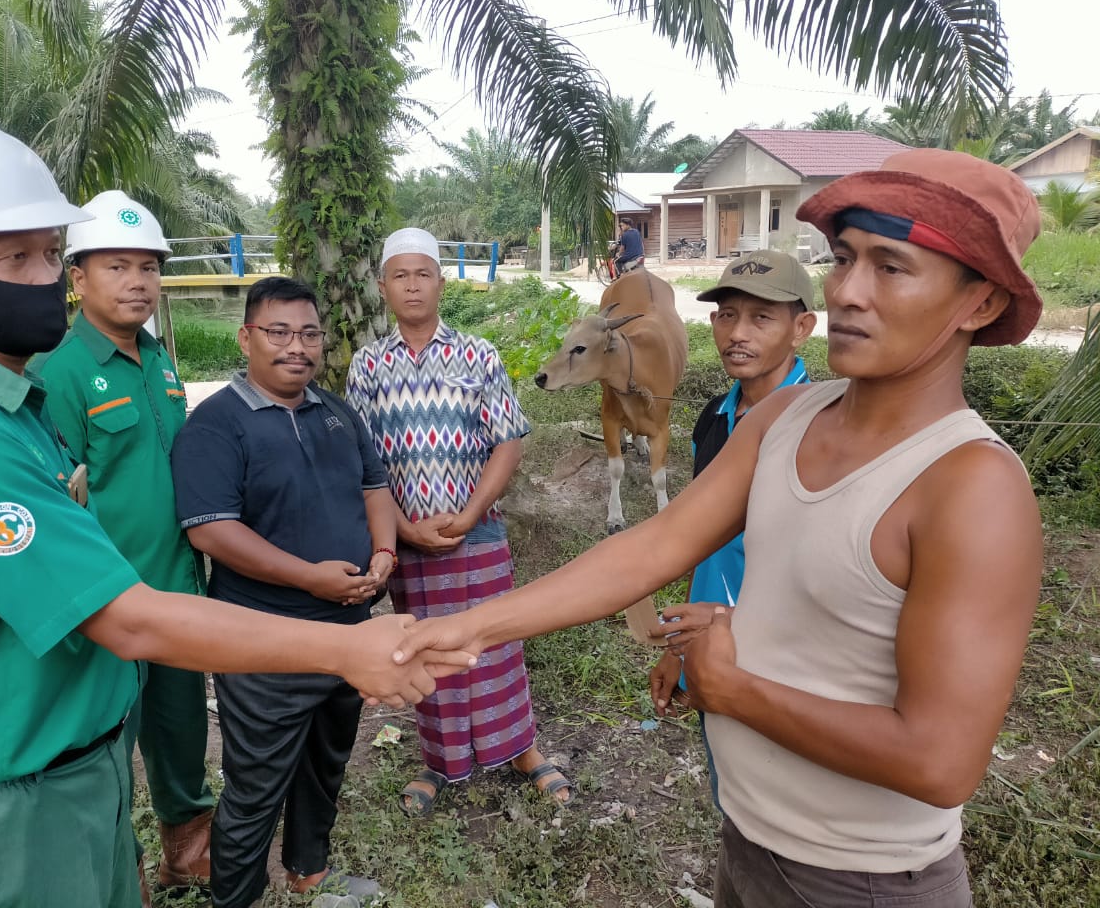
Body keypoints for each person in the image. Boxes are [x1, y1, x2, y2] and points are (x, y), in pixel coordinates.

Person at [396, 149, 1045, 907]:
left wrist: (734, 685)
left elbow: (941, 762)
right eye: (842, 259)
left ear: (982, 304)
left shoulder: (971, 487)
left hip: (860, 879)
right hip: (748, 840)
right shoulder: (785, 417)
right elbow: (653, 546)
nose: (848, 292)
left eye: (891, 268)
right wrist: (467, 629)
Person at [0, 111, 467, 908]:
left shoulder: (9, 399)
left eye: (48, 252)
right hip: (5, 799)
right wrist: (340, 647)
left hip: (61, 766)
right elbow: (131, 618)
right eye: (17, 257)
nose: (45, 278)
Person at [170, 276, 396, 908]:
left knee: (327, 759)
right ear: (246, 337)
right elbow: (212, 532)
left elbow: (373, 486)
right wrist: (308, 576)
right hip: (264, 637)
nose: (296, 347)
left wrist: (384, 554)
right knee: (256, 783)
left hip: (349, 630)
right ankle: (235, 898)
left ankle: (309, 871)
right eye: (278, 333)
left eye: (308, 334)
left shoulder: (335, 412)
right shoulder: (216, 426)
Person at [345, 227, 571, 819]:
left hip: (479, 531)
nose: (413, 285)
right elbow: (363, 463)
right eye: (401, 275)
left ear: (441, 282)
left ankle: (522, 748)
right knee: (423, 652)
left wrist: (469, 516)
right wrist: (402, 528)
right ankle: (440, 759)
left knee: (494, 641)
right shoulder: (369, 366)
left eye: (424, 274)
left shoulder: (479, 354)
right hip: (407, 540)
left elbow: (508, 442)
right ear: (384, 286)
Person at [28, 190, 215, 898]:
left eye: (147, 267)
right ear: (78, 278)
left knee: (180, 729)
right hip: (111, 604)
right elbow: (58, 495)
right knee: (107, 746)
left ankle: (189, 852)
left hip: (174, 586)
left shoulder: (158, 358)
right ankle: (117, 875)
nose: (137, 281)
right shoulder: (59, 371)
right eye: (116, 266)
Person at [648, 250, 816, 741]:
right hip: (709, 646)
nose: (738, 333)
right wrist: (679, 651)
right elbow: (705, 544)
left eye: (762, 317)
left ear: (801, 327)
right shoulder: (714, 419)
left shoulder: (821, 431)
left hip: (785, 664)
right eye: (727, 315)